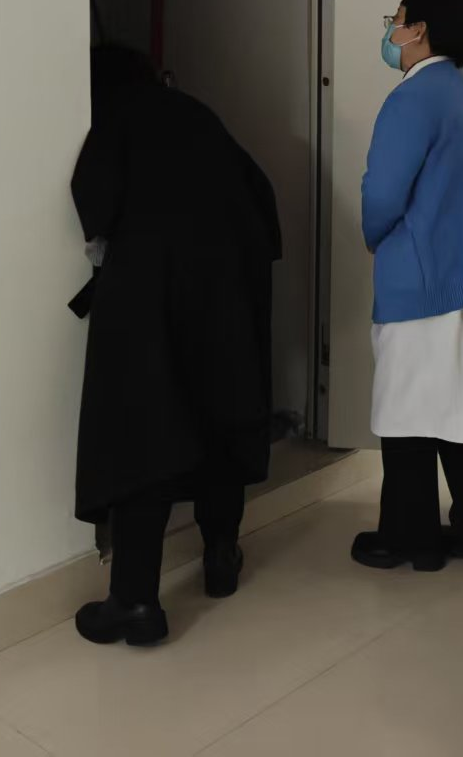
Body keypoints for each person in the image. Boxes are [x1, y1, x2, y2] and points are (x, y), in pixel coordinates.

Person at [70, 44, 281, 647]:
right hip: (227, 291)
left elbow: (93, 203)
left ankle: (136, 603)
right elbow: (261, 196)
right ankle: (221, 556)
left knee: (145, 431)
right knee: (219, 414)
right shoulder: (196, 113)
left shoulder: (115, 121)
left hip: (149, 299)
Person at [350, 0, 463, 574]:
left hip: (424, 284)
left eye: (396, 19)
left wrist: (372, 233)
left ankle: (411, 540)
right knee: (461, 413)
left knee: (407, 415)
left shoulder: (411, 99)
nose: (391, 31)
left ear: (419, 30)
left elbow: (383, 192)